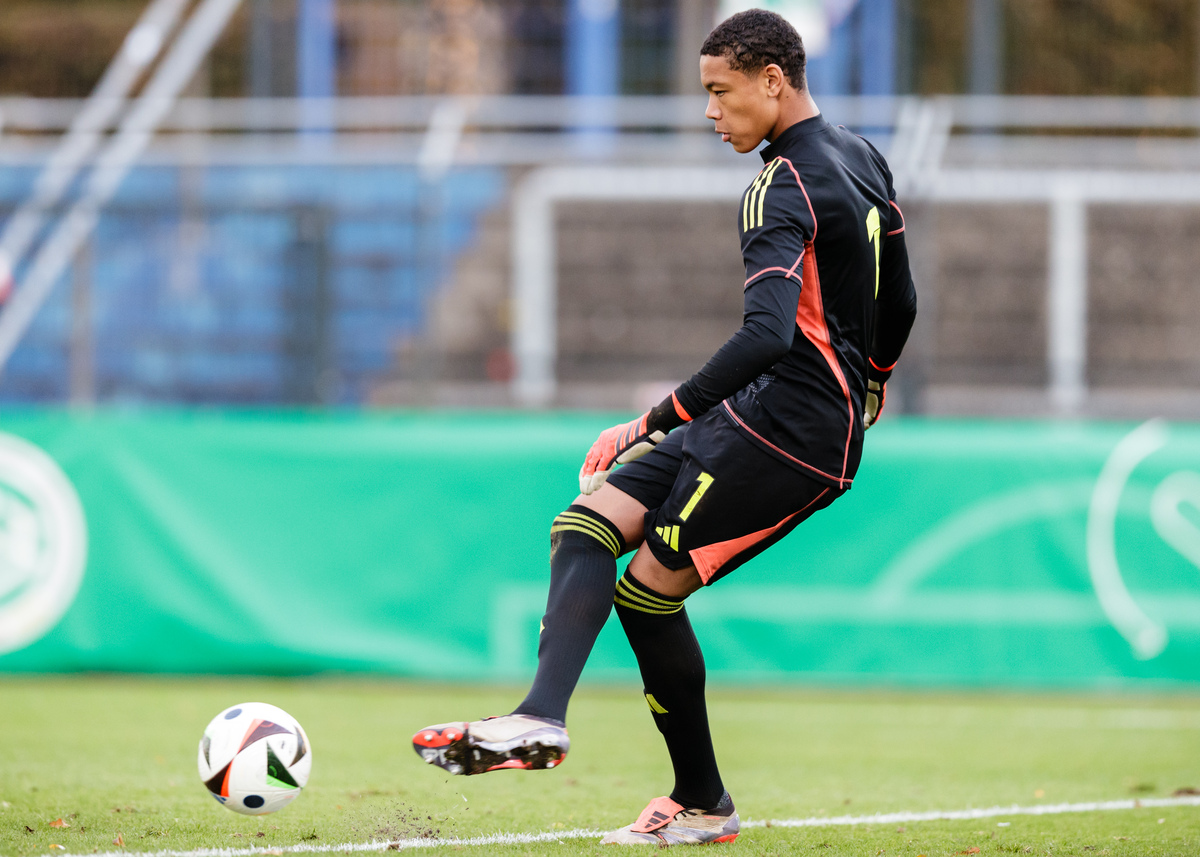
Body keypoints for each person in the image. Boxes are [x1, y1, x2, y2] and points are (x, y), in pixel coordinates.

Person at [412, 7, 918, 847]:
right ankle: (538, 718)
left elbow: (767, 335)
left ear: (773, 79)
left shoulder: (776, 183)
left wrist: (649, 421)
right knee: (584, 524)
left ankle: (703, 803)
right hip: (772, 414)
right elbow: (899, 295)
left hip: (791, 432)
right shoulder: (864, 156)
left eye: (721, 93)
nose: (711, 113)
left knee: (647, 589)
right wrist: (877, 380)